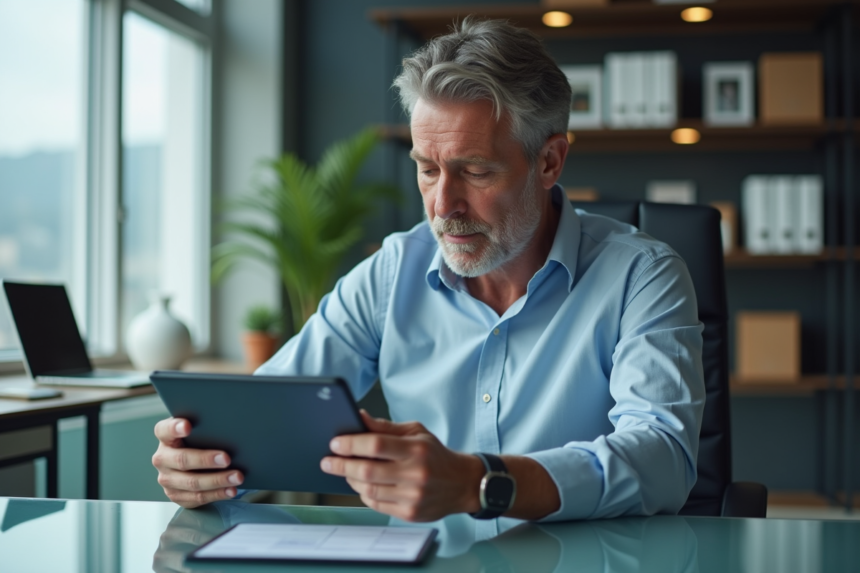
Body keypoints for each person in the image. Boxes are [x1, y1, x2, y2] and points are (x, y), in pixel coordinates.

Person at [152, 18, 705, 523]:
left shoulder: (643, 276)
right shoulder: (393, 270)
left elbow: (661, 457)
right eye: (427, 169)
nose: (443, 205)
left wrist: (481, 483)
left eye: (475, 171)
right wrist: (206, 464)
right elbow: (267, 417)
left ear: (549, 161)